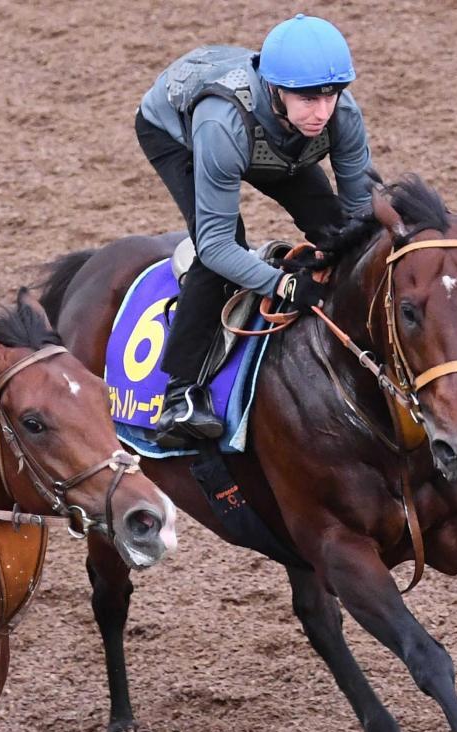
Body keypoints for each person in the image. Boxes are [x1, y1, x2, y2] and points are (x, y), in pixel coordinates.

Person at [136, 13, 373, 445]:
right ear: (275, 89)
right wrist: (281, 285)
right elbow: (217, 246)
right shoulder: (220, 123)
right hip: (182, 135)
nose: (322, 113)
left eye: (331, 97)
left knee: (342, 231)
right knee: (228, 250)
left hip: (281, 147)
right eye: (308, 99)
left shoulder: (341, 114)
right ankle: (180, 395)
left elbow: (360, 216)